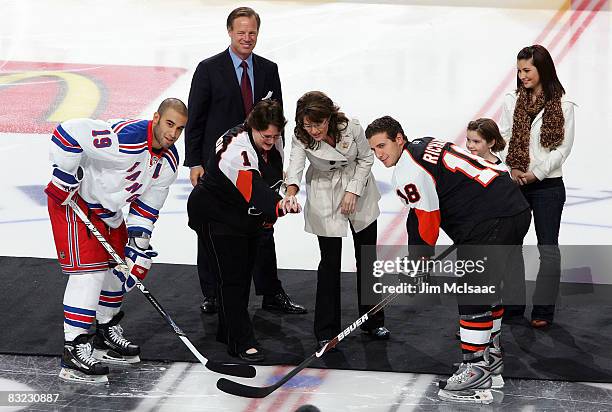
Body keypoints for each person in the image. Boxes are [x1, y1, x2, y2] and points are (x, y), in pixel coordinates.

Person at [366, 116, 531, 404]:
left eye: (382, 146)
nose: (379, 155)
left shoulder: (407, 170)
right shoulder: (423, 145)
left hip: (489, 221)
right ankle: (490, 363)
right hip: (515, 209)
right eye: (374, 149)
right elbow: (417, 214)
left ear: (399, 139)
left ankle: (475, 375)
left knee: (472, 293)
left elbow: (427, 220)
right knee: (487, 291)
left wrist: (418, 264)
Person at [45, 98, 188, 383]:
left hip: (110, 212)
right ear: (157, 117)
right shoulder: (127, 137)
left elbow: (147, 207)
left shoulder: (170, 161)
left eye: (180, 128)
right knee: (89, 275)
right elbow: (69, 131)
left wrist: (139, 247)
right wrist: (65, 172)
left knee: (121, 269)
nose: (173, 133)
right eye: (169, 124)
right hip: (77, 204)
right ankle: (74, 348)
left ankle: (104, 331)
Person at [184, 6, 304, 315]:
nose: (247, 38)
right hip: (220, 166)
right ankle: (212, 293)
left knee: (264, 226)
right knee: (214, 228)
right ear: (229, 32)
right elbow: (195, 119)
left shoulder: (268, 68)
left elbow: (276, 121)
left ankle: (270, 292)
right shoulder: (208, 69)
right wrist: (195, 162)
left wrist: (276, 164)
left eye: (252, 32)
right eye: (241, 32)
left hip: (259, 163)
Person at [187, 100, 300, 362]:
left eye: (276, 136)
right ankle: (240, 341)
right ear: (252, 128)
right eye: (266, 136)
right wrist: (279, 206)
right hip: (214, 215)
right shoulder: (234, 149)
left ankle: (228, 331)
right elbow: (255, 189)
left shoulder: (271, 140)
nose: (272, 141)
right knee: (232, 278)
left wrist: (269, 216)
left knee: (241, 274)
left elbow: (272, 179)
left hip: (244, 218)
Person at [283, 91, 389, 351]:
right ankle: (326, 330)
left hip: (359, 190)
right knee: (329, 263)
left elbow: (366, 158)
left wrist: (353, 190)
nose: (314, 130)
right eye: (308, 124)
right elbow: (295, 166)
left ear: (329, 117)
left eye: (318, 123)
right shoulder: (301, 136)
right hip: (324, 193)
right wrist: (290, 193)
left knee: (367, 258)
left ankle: (373, 319)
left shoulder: (351, 127)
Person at [499, 44, 576, 329]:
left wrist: (536, 174)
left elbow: (562, 150)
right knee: (511, 247)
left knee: (548, 248)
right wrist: (514, 167)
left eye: (527, 70)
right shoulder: (511, 100)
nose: (522, 76)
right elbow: (503, 138)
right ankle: (514, 306)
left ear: (542, 69)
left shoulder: (564, 104)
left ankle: (544, 309)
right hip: (516, 183)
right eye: (519, 71)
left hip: (548, 186)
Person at [466, 118, 527, 320]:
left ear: (491, 143)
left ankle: (491, 318)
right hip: (484, 230)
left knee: (499, 270)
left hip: (499, 228)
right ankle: (483, 318)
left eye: (476, 142)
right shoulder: (468, 164)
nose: (470, 146)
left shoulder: (500, 170)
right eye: (469, 140)